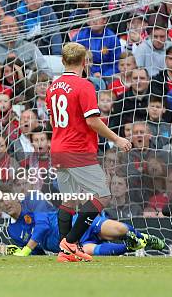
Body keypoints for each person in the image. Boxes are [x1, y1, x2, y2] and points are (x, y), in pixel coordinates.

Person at [45, 42, 132, 262]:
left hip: (58, 148)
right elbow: (92, 121)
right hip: (77, 149)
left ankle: (65, 253)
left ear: (63, 61)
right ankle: (71, 242)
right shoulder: (84, 86)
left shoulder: (52, 87)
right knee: (102, 195)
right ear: (85, 62)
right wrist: (117, 138)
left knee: (69, 201)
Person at [0, 193, 165, 256]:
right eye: (0, 202)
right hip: (71, 246)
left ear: (14, 197)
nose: (6, 203)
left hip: (78, 224)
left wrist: (25, 251)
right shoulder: (13, 231)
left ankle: (142, 237)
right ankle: (132, 246)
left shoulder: (32, 200)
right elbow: (38, 254)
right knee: (88, 250)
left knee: (119, 230)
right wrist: (22, 254)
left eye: (7, 198)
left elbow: (43, 227)